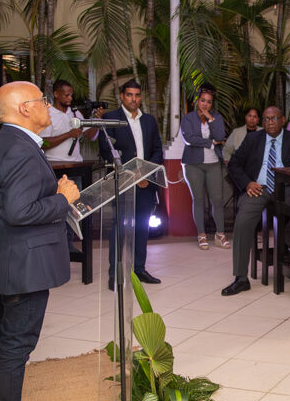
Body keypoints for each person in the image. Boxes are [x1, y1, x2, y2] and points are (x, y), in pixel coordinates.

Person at [0, 81, 80, 401]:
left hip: (10, 260)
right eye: (42, 101)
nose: (49, 106)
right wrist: (61, 200)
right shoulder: (19, 150)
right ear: (23, 109)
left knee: (5, 339)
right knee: (14, 345)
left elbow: (14, 201)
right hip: (23, 263)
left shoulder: (5, 143)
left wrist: (53, 191)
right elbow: (20, 213)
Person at [221, 107, 290, 296]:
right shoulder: (253, 139)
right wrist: (247, 183)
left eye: (274, 118)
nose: (270, 122)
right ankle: (241, 278)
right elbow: (234, 164)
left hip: (287, 188)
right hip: (259, 188)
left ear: (282, 119)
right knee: (242, 221)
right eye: (266, 119)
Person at [100, 79, 165, 284]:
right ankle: (115, 274)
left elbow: (157, 150)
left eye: (137, 95)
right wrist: (132, 175)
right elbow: (107, 151)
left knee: (142, 227)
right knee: (120, 227)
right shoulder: (111, 118)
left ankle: (139, 269)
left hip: (146, 182)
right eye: (129, 95)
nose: (133, 99)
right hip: (122, 182)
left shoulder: (148, 121)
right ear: (122, 96)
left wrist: (144, 173)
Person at [179, 87, 229, 251]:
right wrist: (210, 143)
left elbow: (221, 135)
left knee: (217, 200)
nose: (205, 104)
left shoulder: (217, 117)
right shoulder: (188, 118)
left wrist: (210, 118)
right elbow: (189, 139)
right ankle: (201, 235)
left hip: (213, 163)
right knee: (199, 200)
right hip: (193, 164)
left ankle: (220, 235)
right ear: (197, 101)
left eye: (208, 102)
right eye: (202, 100)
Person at [40, 79, 101, 162]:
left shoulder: (75, 112)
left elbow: (91, 136)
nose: (70, 98)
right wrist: (68, 134)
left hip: (77, 162)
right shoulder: (47, 114)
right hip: (55, 163)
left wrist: (97, 119)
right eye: (67, 95)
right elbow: (43, 143)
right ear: (56, 94)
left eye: (71, 95)